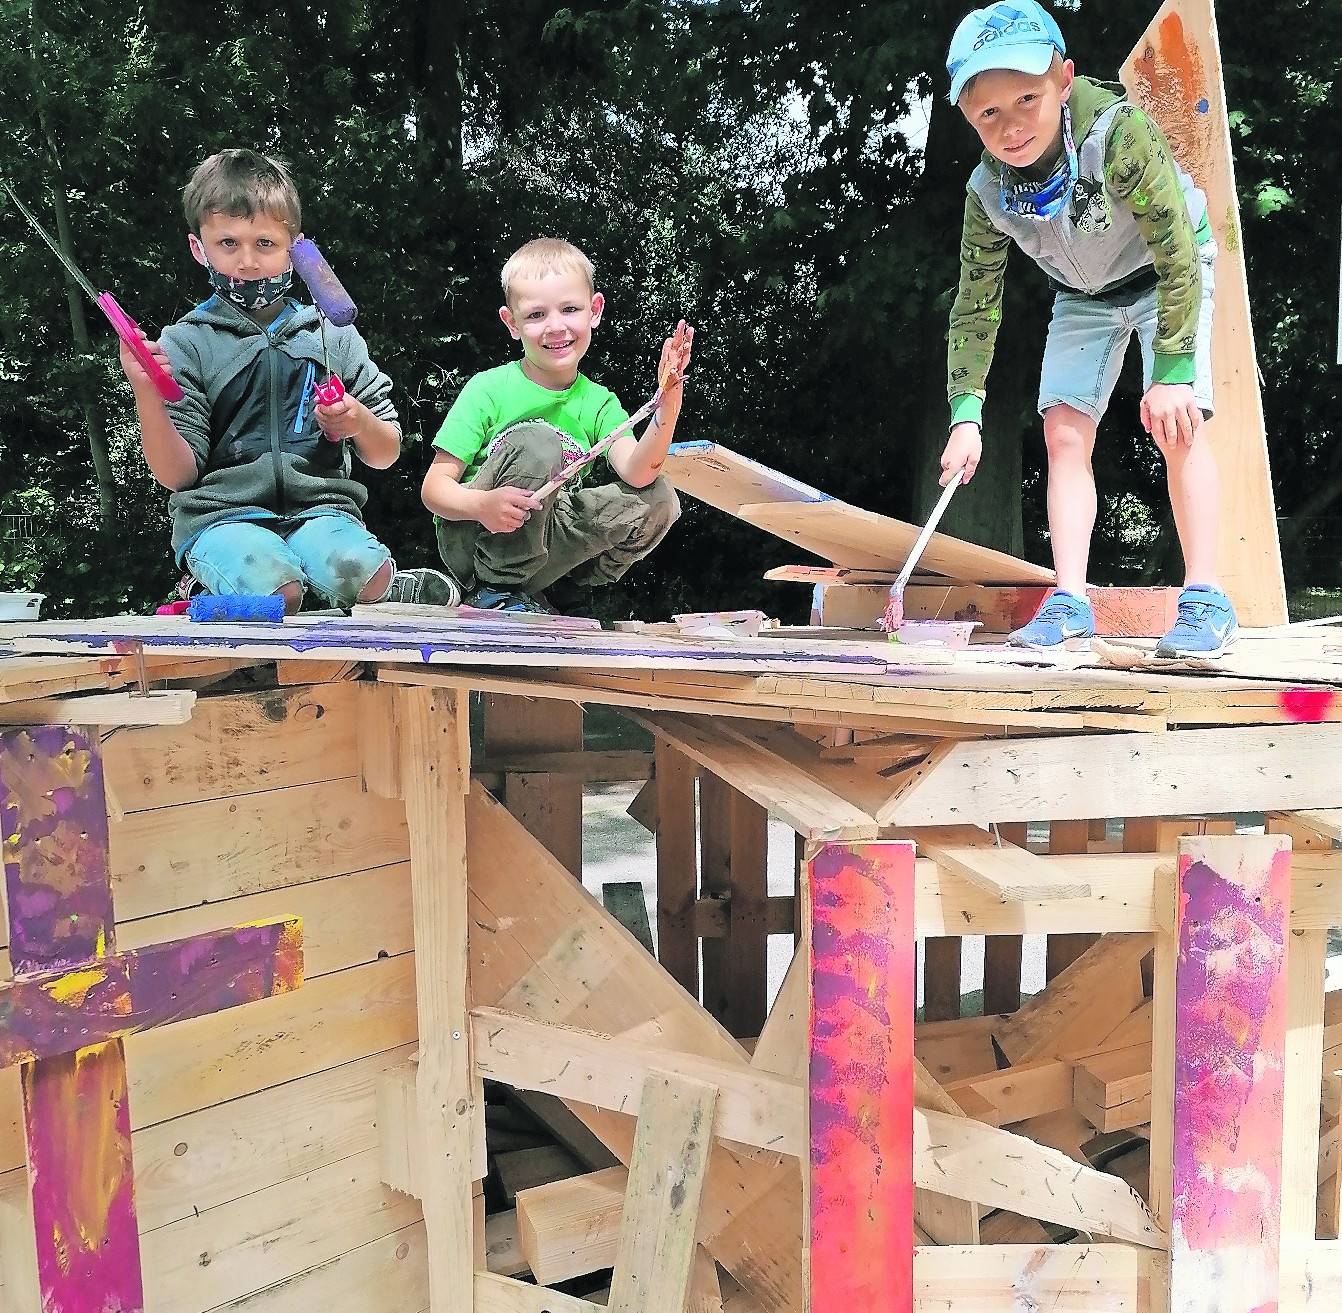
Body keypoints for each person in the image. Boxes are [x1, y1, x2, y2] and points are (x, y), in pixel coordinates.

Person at [940, 0, 1237, 657]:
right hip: (1081, 294)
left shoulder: (1118, 132)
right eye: (989, 113)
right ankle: (1070, 602)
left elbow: (1178, 251)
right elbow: (975, 303)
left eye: (1026, 97)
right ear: (967, 116)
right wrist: (966, 413)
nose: (1012, 125)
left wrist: (1174, 370)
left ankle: (1207, 598)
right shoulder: (986, 193)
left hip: (1167, 272)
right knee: (1062, 431)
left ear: (1064, 79)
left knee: (1176, 420)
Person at [118, 148, 457, 614]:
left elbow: (386, 453)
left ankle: (352, 586)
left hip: (321, 513)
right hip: (223, 519)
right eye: (228, 243)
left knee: (367, 574)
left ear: (296, 248)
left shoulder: (332, 333)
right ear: (199, 248)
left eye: (265, 243)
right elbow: (177, 475)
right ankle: (203, 586)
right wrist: (146, 392)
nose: (248, 261)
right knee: (277, 594)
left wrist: (357, 422)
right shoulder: (185, 343)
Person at [421, 238, 691, 614]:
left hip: (549, 544)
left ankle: (563, 590)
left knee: (659, 498)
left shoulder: (600, 402)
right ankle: (495, 590)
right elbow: (434, 490)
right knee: (538, 441)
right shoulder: (488, 389)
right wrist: (482, 504)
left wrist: (668, 405)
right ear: (511, 323)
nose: (555, 326)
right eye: (535, 315)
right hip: (479, 538)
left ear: (594, 311)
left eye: (569, 309)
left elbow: (638, 473)